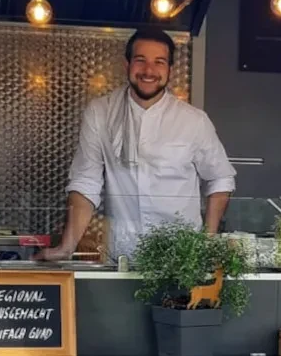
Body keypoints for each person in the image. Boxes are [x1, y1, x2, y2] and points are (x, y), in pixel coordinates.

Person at [36, 27, 236, 262]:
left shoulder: (194, 120)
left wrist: (207, 242)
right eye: (140, 60)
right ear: (127, 64)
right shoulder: (100, 112)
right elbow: (86, 181)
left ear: (170, 70)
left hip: (181, 258)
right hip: (122, 254)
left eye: (159, 62)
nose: (149, 71)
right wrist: (67, 247)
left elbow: (220, 178)